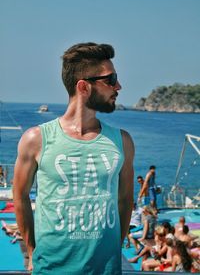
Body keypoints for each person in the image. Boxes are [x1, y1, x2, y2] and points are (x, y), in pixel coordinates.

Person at [13, 42, 135, 274]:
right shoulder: (36, 139)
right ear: (84, 87)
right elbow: (20, 197)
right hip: (51, 268)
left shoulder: (122, 142)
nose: (118, 86)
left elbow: (125, 200)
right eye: (110, 79)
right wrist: (31, 252)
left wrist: (114, 249)